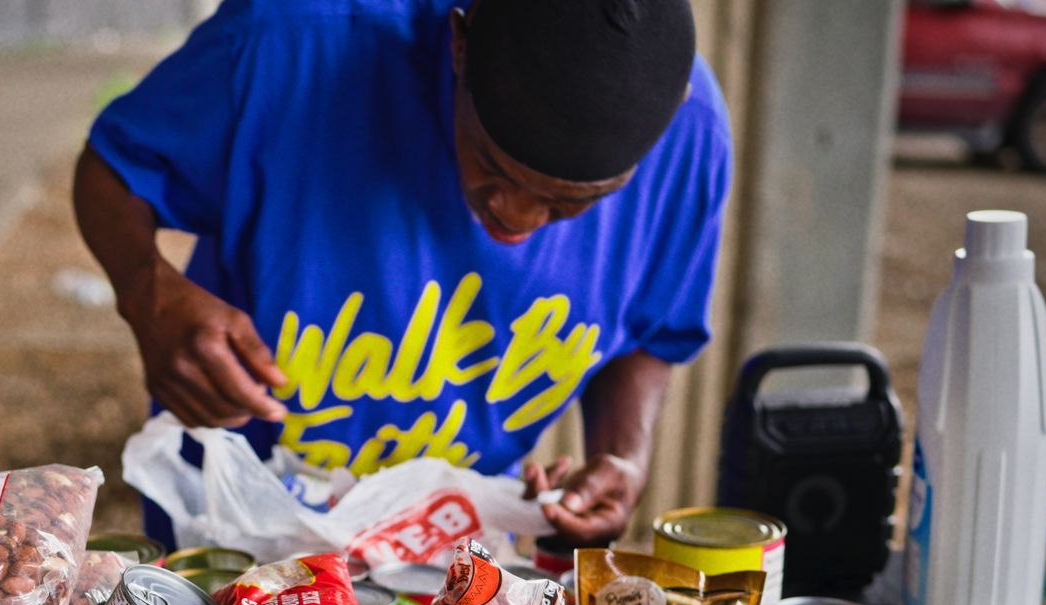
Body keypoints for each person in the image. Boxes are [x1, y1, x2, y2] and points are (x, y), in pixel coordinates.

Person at [75, 0, 730, 546]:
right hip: (236, 524)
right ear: (459, 45)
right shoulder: (289, 46)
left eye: (572, 203)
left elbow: (648, 329)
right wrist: (148, 293)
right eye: (493, 169)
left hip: (443, 543)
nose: (517, 218)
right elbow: (112, 169)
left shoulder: (692, 134)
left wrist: (623, 456)